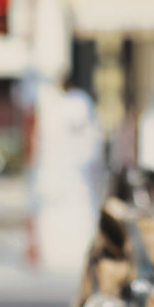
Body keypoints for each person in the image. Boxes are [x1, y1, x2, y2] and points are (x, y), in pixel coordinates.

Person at [33, 72, 104, 271]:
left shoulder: (77, 103)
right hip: (63, 172)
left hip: (75, 173)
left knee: (77, 213)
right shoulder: (59, 105)